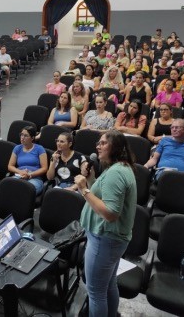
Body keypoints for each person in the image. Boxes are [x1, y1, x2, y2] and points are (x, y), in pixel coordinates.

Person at [75, 130, 137, 317]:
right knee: (108, 284)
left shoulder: (116, 173)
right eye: (98, 143)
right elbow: (103, 194)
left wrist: (84, 189)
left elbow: (110, 213)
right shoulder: (118, 168)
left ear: (115, 148)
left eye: (103, 143)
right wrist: (92, 179)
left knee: (95, 293)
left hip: (105, 240)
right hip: (110, 240)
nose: (98, 146)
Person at [7, 126, 48, 195]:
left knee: (26, 190)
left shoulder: (39, 149)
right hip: (19, 175)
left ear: (32, 138)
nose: (22, 137)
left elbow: (44, 168)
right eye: (21, 135)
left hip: (35, 178)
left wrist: (29, 175)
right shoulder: (17, 148)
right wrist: (20, 172)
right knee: (8, 186)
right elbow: (10, 166)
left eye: (26, 136)